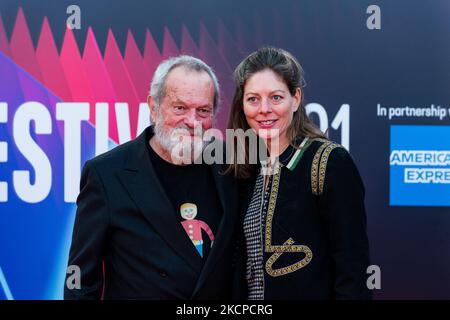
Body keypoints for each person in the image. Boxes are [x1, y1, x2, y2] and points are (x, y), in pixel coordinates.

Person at [64, 56, 239, 300]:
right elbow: (80, 282)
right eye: (180, 107)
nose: (192, 121)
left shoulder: (231, 164)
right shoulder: (107, 174)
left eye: (203, 111)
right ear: (154, 107)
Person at [227, 47, 371, 299]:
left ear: (296, 98)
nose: (264, 109)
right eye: (253, 99)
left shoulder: (329, 162)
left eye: (276, 97)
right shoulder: (245, 168)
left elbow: (352, 270)